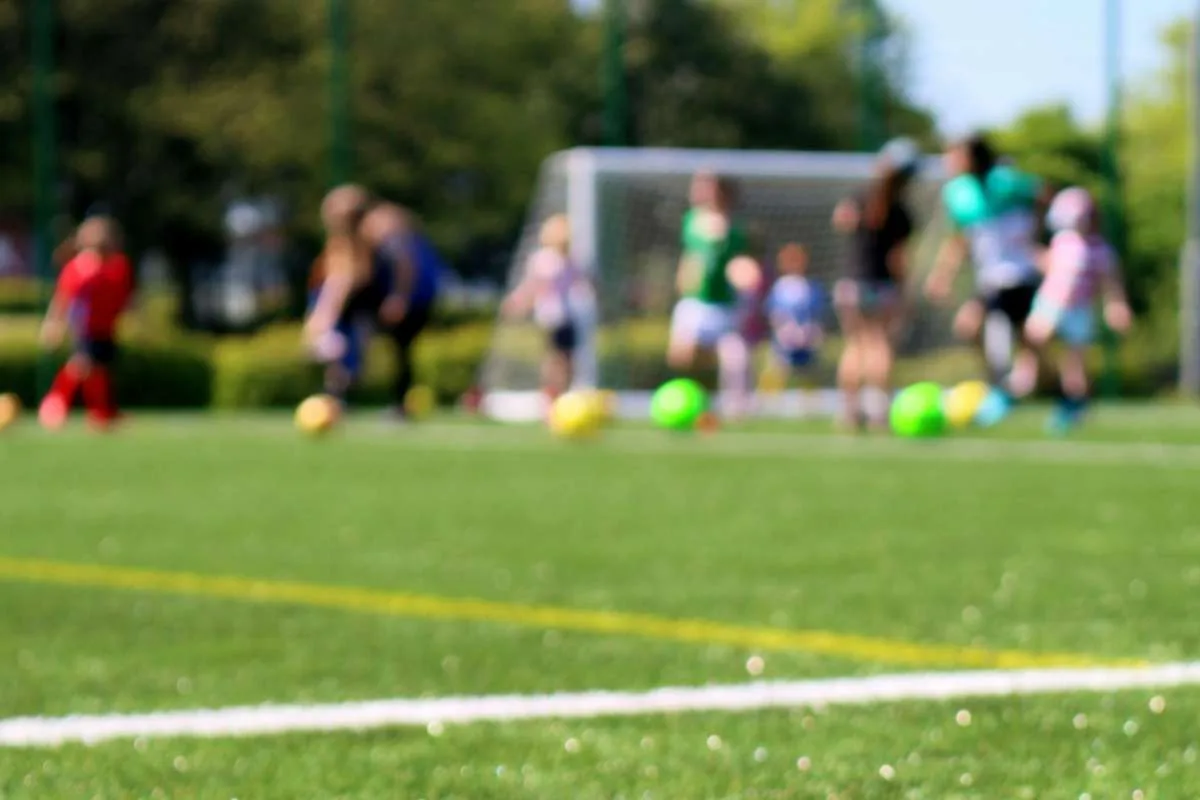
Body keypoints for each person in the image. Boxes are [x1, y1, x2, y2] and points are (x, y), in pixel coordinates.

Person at [977, 187, 1131, 432]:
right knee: (1032, 348)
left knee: (1075, 363)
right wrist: (1027, 249)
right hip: (1051, 303)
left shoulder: (1101, 251)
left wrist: (1117, 305)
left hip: (1079, 309)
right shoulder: (1064, 242)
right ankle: (1010, 394)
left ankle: (1073, 406)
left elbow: (1111, 282)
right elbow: (1049, 265)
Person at [925, 133, 1045, 385]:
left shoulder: (1006, 182)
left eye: (956, 157)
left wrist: (1035, 236)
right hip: (990, 276)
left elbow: (1042, 195)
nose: (949, 162)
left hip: (1019, 272)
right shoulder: (957, 193)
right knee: (969, 327)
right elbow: (959, 239)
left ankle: (1043, 386)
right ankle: (997, 381)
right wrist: (942, 275)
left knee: (1028, 337)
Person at [831, 137, 920, 430]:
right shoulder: (901, 212)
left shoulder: (860, 197)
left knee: (856, 346)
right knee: (880, 345)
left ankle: (850, 413)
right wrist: (904, 293)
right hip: (881, 286)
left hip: (853, 284)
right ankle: (880, 413)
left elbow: (840, 220)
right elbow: (898, 260)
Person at [669, 173, 760, 418]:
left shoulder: (735, 230)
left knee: (735, 356)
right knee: (682, 358)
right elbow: (690, 257)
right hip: (695, 301)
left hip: (723, 305)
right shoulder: (691, 221)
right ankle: (688, 399)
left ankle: (736, 404)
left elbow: (741, 265)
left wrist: (745, 276)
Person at [38, 216, 134, 430]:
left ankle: (103, 412)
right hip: (83, 329)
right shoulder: (78, 269)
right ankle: (55, 404)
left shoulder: (119, 267)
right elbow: (62, 299)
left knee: (100, 370)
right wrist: (54, 324)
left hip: (106, 329)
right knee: (82, 365)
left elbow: (124, 298)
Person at [359, 202, 444, 419]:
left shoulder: (396, 242)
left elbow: (405, 268)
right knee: (403, 355)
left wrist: (398, 298)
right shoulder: (412, 240)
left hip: (410, 304)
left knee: (400, 355)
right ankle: (400, 403)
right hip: (420, 302)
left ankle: (399, 405)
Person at [502, 214, 592, 404]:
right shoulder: (544, 258)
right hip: (552, 316)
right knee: (554, 358)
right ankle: (551, 397)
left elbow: (582, 282)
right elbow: (533, 285)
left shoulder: (571, 259)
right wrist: (519, 301)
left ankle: (564, 395)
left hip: (569, 316)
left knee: (567, 358)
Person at [303, 184, 381, 402]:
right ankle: (336, 399)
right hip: (343, 310)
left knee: (341, 362)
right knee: (344, 361)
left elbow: (339, 284)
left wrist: (322, 317)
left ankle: (336, 400)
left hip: (340, 310)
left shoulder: (347, 246)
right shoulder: (355, 245)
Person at [762, 243, 824, 384]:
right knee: (777, 368)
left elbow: (816, 316)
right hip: (784, 339)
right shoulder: (779, 287)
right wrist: (786, 331)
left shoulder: (811, 286)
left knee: (810, 375)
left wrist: (808, 333)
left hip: (806, 339)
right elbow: (774, 314)